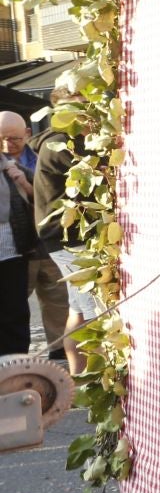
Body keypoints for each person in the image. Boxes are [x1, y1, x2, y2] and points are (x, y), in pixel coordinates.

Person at [30, 84, 92, 376]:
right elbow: (92, 176)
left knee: (78, 308)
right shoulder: (60, 144)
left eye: (85, 100)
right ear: (59, 109)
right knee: (93, 309)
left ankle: (79, 374)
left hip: (65, 237)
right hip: (68, 238)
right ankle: (96, 376)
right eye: (75, 102)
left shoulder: (64, 140)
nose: (83, 107)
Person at [0, 111, 61, 357]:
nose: (7, 144)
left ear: (27, 133)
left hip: (32, 246)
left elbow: (49, 200)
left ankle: (26, 366)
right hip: (18, 247)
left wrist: (24, 183)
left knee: (26, 311)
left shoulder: (42, 155)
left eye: (13, 138)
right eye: (2, 138)